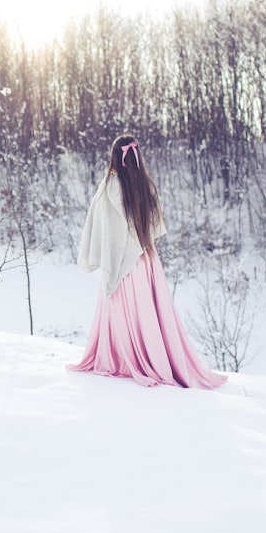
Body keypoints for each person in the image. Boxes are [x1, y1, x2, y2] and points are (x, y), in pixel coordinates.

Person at [68, 134, 227, 389]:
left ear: (114, 158)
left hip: (123, 262)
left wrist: (108, 256)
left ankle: (125, 360)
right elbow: (150, 226)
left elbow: (104, 226)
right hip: (146, 261)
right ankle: (150, 358)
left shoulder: (111, 186)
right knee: (148, 313)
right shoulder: (146, 185)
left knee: (127, 313)